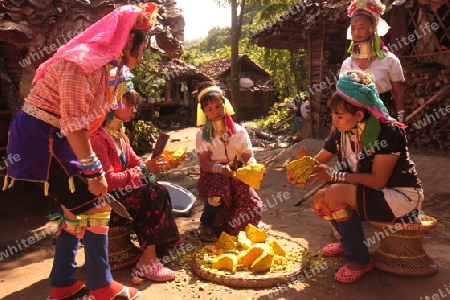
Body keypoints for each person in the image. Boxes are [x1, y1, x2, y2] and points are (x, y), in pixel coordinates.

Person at [3, 4, 159, 299]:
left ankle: (62, 284)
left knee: (74, 214)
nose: (144, 52)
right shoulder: (81, 62)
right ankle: (102, 287)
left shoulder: (104, 66)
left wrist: (91, 166)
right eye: (144, 43)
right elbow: (75, 125)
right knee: (97, 207)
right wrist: (95, 171)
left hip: (53, 134)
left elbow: (85, 123)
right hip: (45, 136)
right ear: (128, 39)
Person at [287, 70, 424, 283]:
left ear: (359, 115)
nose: (335, 120)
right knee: (320, 199)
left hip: (399, 198)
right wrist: (300, 171)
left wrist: (334, 175)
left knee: (333, 193)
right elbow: (317, 161)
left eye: (339, 116)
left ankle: (359, 259)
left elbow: (378, 180)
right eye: (333, 114)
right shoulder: (342, 132)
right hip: (371, 193)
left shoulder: (388, 133)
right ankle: (347, 242)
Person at [90, 87, 181, 282]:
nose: (134, 109)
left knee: (158, 188)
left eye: (135, 105)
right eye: (129, 103)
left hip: (119, 198)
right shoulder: (98, 139)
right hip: (103, 204)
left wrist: (158, 165)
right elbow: (109, 181)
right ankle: (146, 262)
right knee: (154, 193)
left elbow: (137, 164)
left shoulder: (120, 135)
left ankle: (159, 245)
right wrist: (144, 171)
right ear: (112, 104)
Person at [195, 82, 264, 242]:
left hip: (237, 171)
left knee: (249, 204)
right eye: (209, 109)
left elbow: (247, 154)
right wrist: (220, 169)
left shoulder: (239, 131)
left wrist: (252, 165)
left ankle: (238, 223)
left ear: (225, 105)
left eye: (219, 106)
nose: (216, 112)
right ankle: (206, 224)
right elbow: (204, 163)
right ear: (204, 112)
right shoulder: (202, 136)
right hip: (213, 173)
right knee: (217, 192)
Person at [340, 0, 406, 123]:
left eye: (361, 27)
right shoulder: (347, 64)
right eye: (353, 28)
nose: (356, 33)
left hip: (383, 118)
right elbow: (341, 96)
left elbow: (399, 95)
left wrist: (401, 122)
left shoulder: (390, 60)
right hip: (353, 120)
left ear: (374, 26)